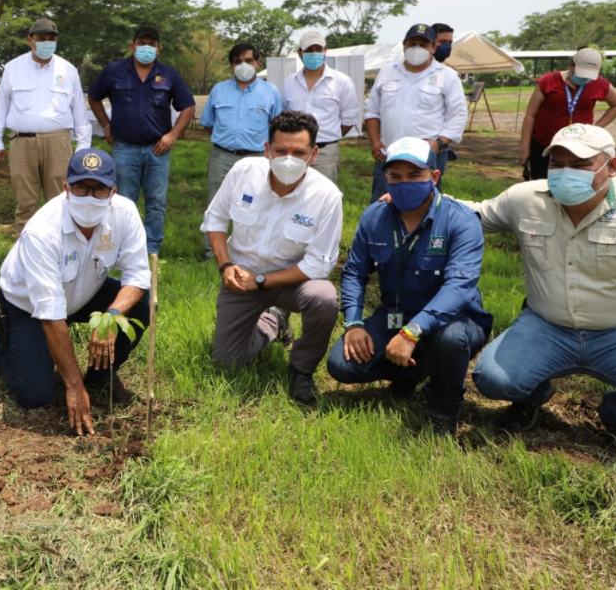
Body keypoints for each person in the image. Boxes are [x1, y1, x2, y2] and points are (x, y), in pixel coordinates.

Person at [465, 124, 616, 433]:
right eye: (557, 164)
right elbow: (473, 215)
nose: (567, 173)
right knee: (493, 379)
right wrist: (420, 199)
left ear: (612, 167)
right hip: (546, 326)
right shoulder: (526, 198)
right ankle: (534, 392)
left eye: (580, 165)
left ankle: (615, 409)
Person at [326, 137, 492, 436]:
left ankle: (444, 408)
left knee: (449, 339)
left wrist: (412, 331)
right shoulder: (374, 217)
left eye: (415, 175)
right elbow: (353, 272)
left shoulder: (461, 221)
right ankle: (414, 370)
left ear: (435, 176)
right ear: (385, 178)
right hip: (396, 314)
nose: (404, 183)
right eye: (396, 176)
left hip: (455, 319)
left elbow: (460, 286)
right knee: (342, 364)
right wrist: (353, 322)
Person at [0, 148, 150, 435]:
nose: (89, 196)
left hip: (84, 291)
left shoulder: (125, 213)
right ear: (65, 188)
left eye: (99, 190)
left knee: (140, 305)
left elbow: (137, 276)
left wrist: (109, 317)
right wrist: (72, 386)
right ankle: (0, 341)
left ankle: (99, 378)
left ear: (113, 192)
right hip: (27, 305)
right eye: (80, 187)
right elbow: (50, 314)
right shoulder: (42, 231)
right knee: (35, 397)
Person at [201, 111, 342, 405]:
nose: (288, 159)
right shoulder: (243, 172)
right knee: (228, 365)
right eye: (281, 151)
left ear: (313, 154)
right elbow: (214, 220)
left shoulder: (327, 196)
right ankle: (273, 322)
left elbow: (318, 264)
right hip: (241, 278)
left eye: (299, 152)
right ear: (267, 149)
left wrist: (261, 281)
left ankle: (301, 371)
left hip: (292, 281)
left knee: (324, 297)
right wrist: (225, 266)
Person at [89, 26, 196, 255]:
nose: (146, 47)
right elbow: (94, 97)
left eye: (151, 43)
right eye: (142, 42)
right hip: (124, 149)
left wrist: (173, 134)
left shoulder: (169, 75)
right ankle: (122, 247)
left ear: (158, 49)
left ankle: (151, 248)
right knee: (122, 202)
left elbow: (187, 106)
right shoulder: (114, 70)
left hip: (158, 150)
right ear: (132, 46)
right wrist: (106, 125)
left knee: (156, 202)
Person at [0, 18, 89, 227]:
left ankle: (60, 252)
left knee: (61, 200)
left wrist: (83, 148)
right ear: (29, 40)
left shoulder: (68, 70)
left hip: (58, 143)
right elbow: (0, 108)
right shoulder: (13, 68)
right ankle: (24, 254)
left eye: (51, 39)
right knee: (25, 202)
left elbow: (79, 110)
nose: (47, 43)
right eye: (41, 39)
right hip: (22, 143)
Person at [363, 23, 467, 202]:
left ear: (433, 47)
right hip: (389, 153)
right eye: (412, 44)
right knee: (382, 203)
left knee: (424, 204)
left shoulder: (447, 75)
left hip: (427, 155)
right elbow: (372, 110)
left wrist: (438, 143)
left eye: (423, 44)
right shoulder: (388, 71)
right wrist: (374, 142)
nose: (417, 49)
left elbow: (458, 114)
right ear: (404, 45)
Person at [197, 42, 282, 260]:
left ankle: (248, 253)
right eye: (237, 62)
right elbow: (208, 123)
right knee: (216, 204)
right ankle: (212, 254)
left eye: (248, 61)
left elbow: (278, 127)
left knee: (255, 204)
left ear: (257, 63)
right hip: (222, 156)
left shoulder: (270, 92)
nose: (243, 65)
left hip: (256, 158)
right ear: (231, 65)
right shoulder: (218, 90)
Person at [519, 48, 616, 180]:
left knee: (572, 185)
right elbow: (531, 115)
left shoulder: (599, 84)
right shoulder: (549, 81)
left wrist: (595, 128)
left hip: (579, 148)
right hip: (544, 146)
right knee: (541, 186)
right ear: (571, 66)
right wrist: (525, 148)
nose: (585, 78)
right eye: (582, 73)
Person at [282, 31, 359, 183]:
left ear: (325, 51)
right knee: (292, 193)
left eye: (318, 49)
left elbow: (349, 119)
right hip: (294, 151)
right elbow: (285, 115)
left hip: (325, 153)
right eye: (309, 50)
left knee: (324, 197)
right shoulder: (290, 83)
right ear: (299, 53)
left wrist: (327, 137)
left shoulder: (342, 81)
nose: (314, 54)